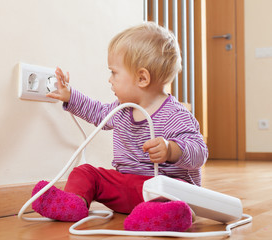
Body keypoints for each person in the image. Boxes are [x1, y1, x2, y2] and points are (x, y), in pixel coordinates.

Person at [32, 22, 208, 227]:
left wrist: (172, 150)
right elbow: (97, 112)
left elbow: (200, 152)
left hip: (161, 189)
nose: (110, 79)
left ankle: (167, 214)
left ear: (142, 78)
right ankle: (74, 204)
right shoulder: (122, 108)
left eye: (114, 72)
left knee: (171, 189)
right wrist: (70, 96)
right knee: (85, 172)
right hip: (126, 186)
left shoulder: (175, 115)